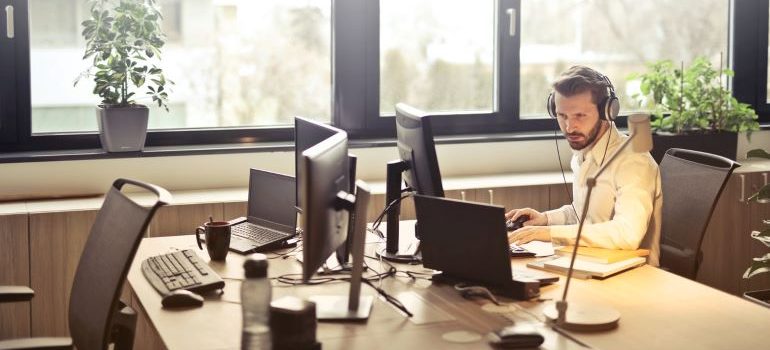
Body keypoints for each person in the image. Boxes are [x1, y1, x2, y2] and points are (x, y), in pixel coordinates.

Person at [507, 65, 662, 266]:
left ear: (607, 111)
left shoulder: (633, 161)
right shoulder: (583, 153)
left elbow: (627, 234)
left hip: (632, 276)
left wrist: (549, 233)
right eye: (562, 116)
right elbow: (585, 215)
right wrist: (545, 219)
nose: (570, 128)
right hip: (590, 263)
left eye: (580, 116)